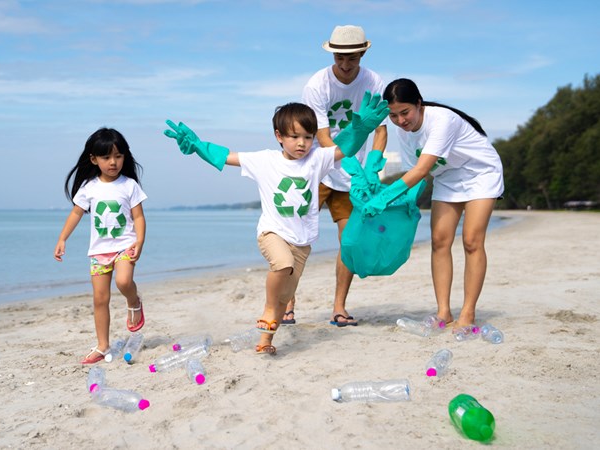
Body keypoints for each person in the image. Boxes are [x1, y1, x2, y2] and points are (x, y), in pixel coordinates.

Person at [164, 92, 388, 354]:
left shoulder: (317, 159)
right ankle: (270, 307)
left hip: (302, 243)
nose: (302, 143)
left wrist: (361, 129)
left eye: (307, 137)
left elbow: (345, 148)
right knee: (281, 266)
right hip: (272, 233)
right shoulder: (265, 160)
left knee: (284, 298)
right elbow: (226, 156)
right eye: (294, 137)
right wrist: (198, 146)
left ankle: (265, 342)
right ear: (279, 136)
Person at [372, 78, 504, 330]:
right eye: (393, 115)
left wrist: (384, 197)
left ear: (419, 104)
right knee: (439, 240)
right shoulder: (404, 132)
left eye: (405, 112)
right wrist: (400, 205)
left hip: (480, 173)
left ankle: (468, 312)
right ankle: (444, 312)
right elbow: (414, 174)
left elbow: (421, 170)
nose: (401, 120)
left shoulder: (442, 120)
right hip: (447, 177)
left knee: (471, 241)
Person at [289, 24, 388, 327]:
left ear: (362, 54)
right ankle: (286, 303)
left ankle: (339, 308)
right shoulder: (317, 85)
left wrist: (372, 164)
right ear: (332, 53)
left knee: (350, 242)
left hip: (352, 178)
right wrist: (346, 161)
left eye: (352, 59)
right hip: (316, 168)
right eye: (340, 59)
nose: (345, 66)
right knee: (294, 236)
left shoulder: (374, 82)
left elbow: (381, 129)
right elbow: (320, 135)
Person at [54, 127, 147, 364]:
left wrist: (139, 240)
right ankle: (103, 346)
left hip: (125, 245)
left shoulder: (129, 185)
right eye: (106, 157)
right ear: (94, 160)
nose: (113, 162)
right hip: (99, 251)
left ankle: (134, 302)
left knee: (124, 282)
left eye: (118, 156)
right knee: (100, 299)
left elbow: (138, 217)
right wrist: (63, 238)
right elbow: (76, 214)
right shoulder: (89, 187)